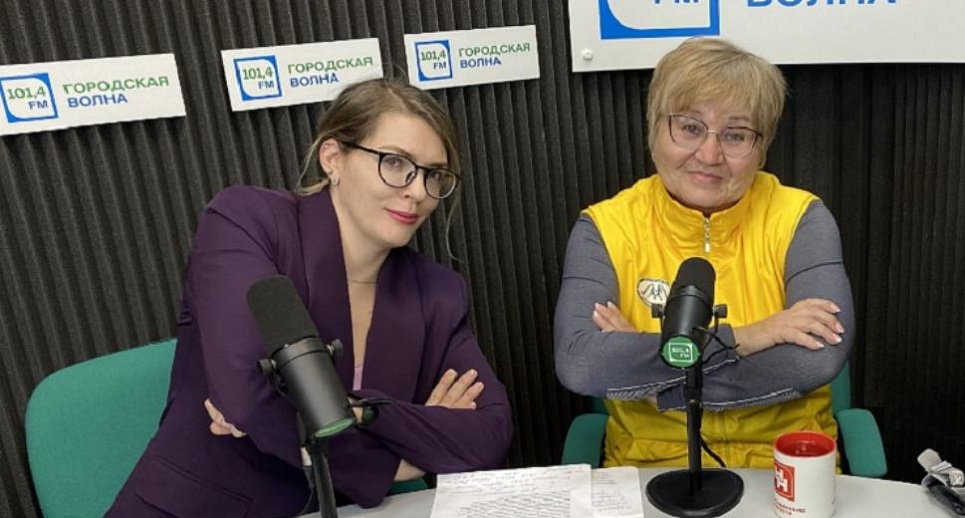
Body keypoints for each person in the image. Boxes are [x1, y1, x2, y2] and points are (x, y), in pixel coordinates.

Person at [109, 77, 513, 517]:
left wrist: (367, 413)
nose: (417, 191)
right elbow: (246, 398)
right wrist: (394, 464)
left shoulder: (435, 290)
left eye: (434, 174)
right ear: (333, 158)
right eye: (395, 162)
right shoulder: (248, 223)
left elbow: (487, 435)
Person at [554, 37, 855, 469]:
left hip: (786, 464)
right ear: (654, 129)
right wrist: (750, 337)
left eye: (735, 135)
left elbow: (816, 360)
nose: (710, 155)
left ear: (762, 147)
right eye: (690, 128)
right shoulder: (604, 227)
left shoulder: (802, 218)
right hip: (650, 468)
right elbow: (581, 363)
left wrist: (650, 380)